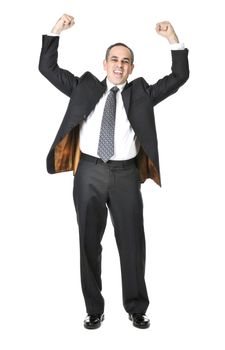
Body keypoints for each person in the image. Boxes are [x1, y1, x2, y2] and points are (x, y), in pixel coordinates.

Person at [39, 14, 189, 330]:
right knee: (88, 243)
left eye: (126, 61)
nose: (119, 66)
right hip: (89, 173)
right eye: (114, 60)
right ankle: (94, 308)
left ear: (132, 68)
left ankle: (136, 308)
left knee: (133, 243)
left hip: (125, 176)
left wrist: (172, 38)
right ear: (105, 63)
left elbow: (179, 76)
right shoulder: (84, 86)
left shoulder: (142, 93)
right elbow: (47, 68)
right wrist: (55, 31)